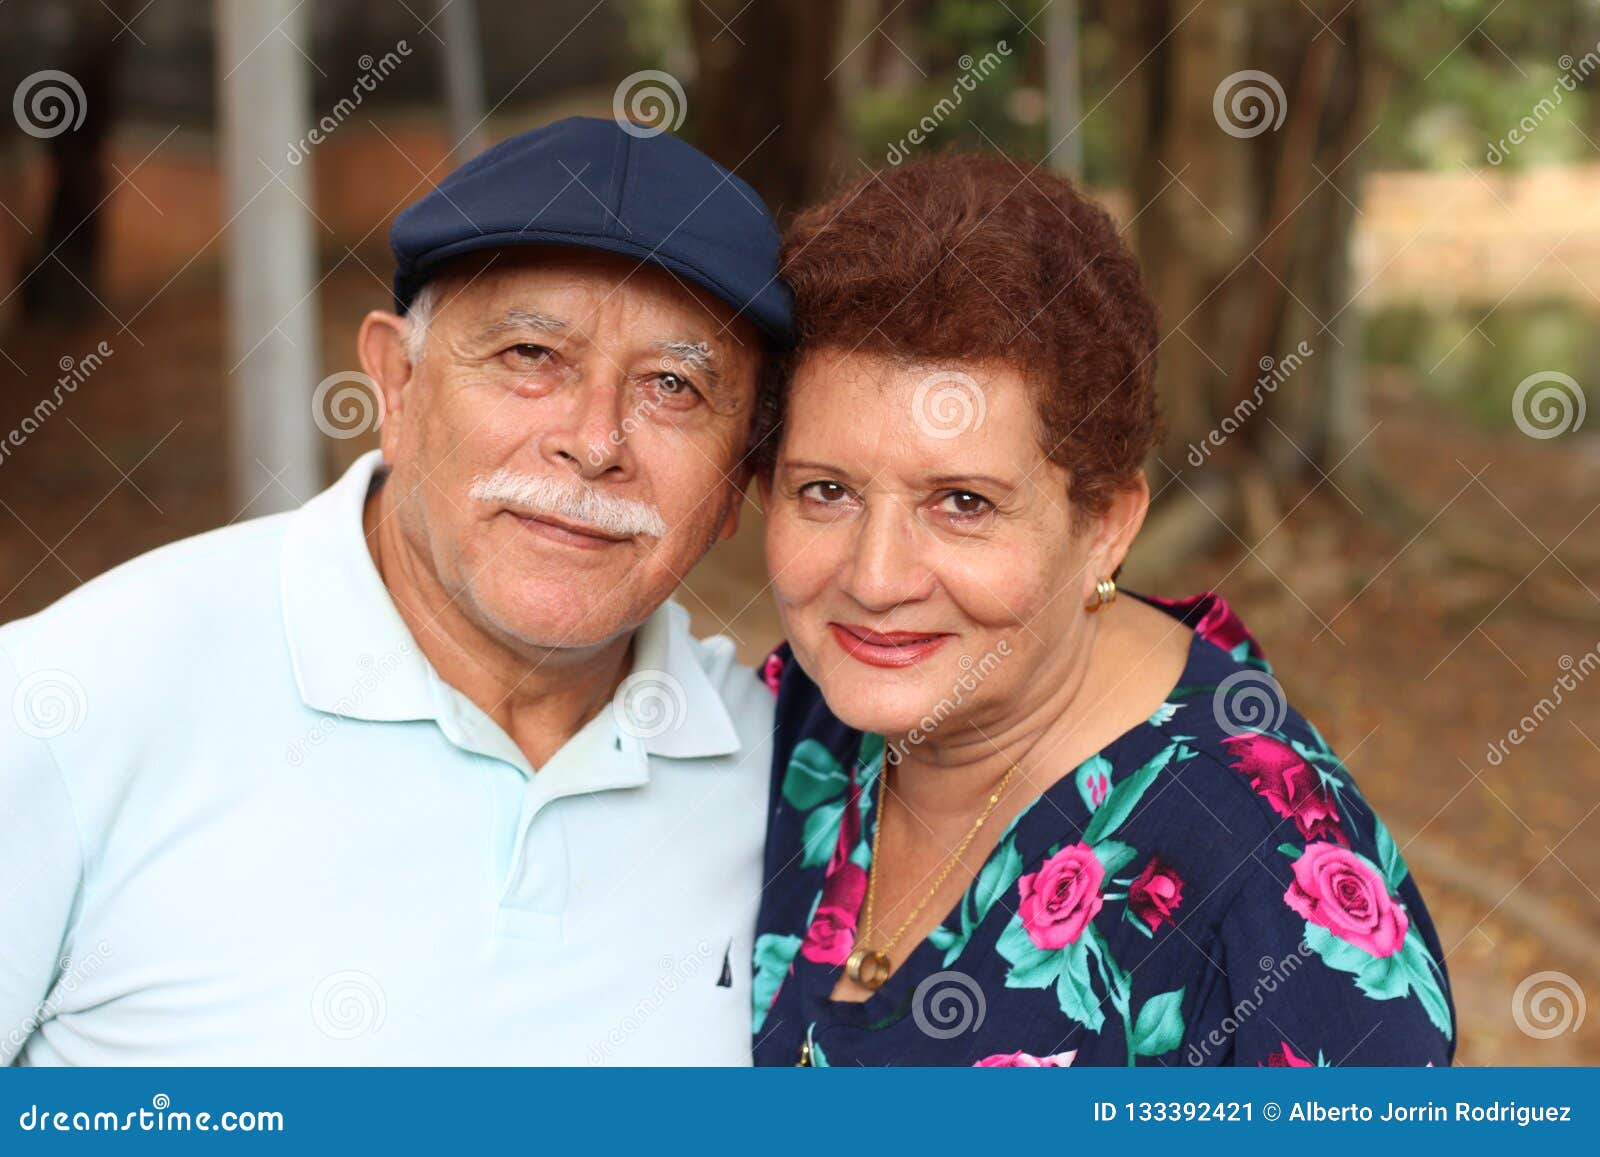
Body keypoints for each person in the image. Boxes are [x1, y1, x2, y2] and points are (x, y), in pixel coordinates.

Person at [0, 117, 791, 1065]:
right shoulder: (70, 701)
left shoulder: (792, 791)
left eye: (672, 386)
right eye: (529, 357)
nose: (594, 441)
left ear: (743, 477)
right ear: (397, 383)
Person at [749, 153, 1455, 1067]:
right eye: (828, 490)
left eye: (963, 502)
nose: (876, 579)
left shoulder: (1270, 888)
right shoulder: (798, 715)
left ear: (1106, 526)